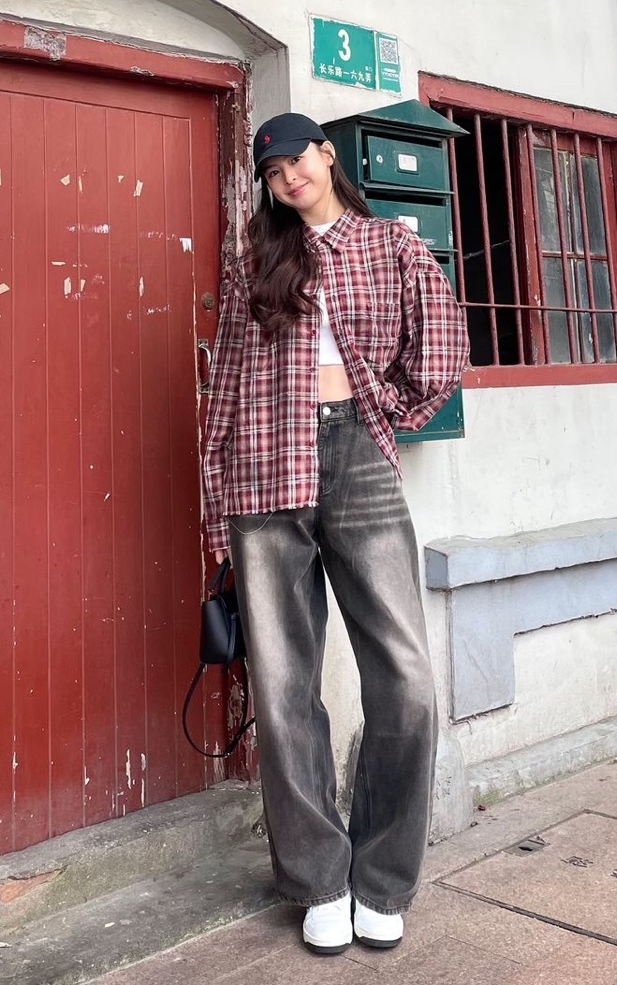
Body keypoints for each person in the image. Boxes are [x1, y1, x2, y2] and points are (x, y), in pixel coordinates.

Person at [201, 112, 469, 955]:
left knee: (406, 677)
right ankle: (318, 877)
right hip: (261, 466)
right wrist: (214, 505)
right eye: (272, 171)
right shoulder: (254, 261)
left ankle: (382, 877)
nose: (288, 177)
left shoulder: (391, 246)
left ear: (326, 155)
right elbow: (224, 382)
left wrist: (382, 412)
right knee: (283, 686)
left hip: (357, 455)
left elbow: (443, 348)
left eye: (296, 159)